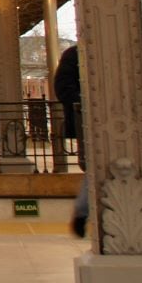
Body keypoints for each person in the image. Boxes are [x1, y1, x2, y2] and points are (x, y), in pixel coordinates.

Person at [53, 44, 89, 238]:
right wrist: (82, 106)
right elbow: (63, 87)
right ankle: (83, 211)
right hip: (87, 121)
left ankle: (83, 211)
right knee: (95, 167)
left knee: (95, 168)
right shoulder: (75, 55)